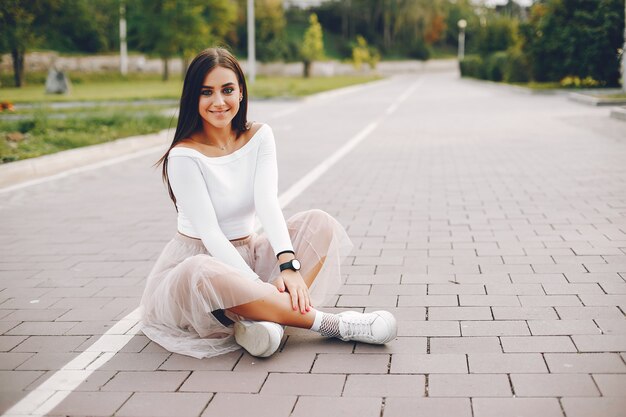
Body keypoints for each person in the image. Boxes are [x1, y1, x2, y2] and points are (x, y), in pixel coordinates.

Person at [139, 47, 397, 359]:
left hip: (248, 251)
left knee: (319, 223)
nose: (219, 102)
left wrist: (288, 266)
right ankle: (336, 325)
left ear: (241, 92)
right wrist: (255, 285)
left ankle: (268, 322)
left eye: (227, 90)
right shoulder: (184, 154)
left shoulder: (259, 136)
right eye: (207, 92)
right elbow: (210, 234)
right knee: (201, 268)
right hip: (199, 269)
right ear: (193, 97)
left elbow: (267, 203)